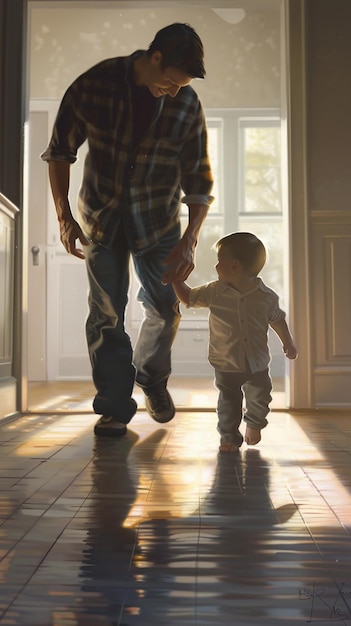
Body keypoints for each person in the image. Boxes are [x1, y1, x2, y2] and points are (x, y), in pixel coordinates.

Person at [41, 23, 214, 437]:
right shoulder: (94, 84)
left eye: (181, 86)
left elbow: (199, 180)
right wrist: (64, 217)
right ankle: (116, 406)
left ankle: (152, 378)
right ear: (154, 58)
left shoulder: (186, 103)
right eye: (170, 82)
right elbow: (61, 150)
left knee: (166, 308)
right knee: (106, 314)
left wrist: (190, 241)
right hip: (103, 219)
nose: (174, 92)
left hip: (160, 224)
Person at [172, 231, 297, 452]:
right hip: (226, 361)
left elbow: (277, 320)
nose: (216, 266)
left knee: (260, 396)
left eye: (220, 261)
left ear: (235, 265)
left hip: (256, 362)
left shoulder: (266, 297)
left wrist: (288, 342)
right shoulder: (214, 291)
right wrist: (176, 280)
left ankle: (254, 424)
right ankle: (229, 436)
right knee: (228, 402)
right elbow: (188, 298)